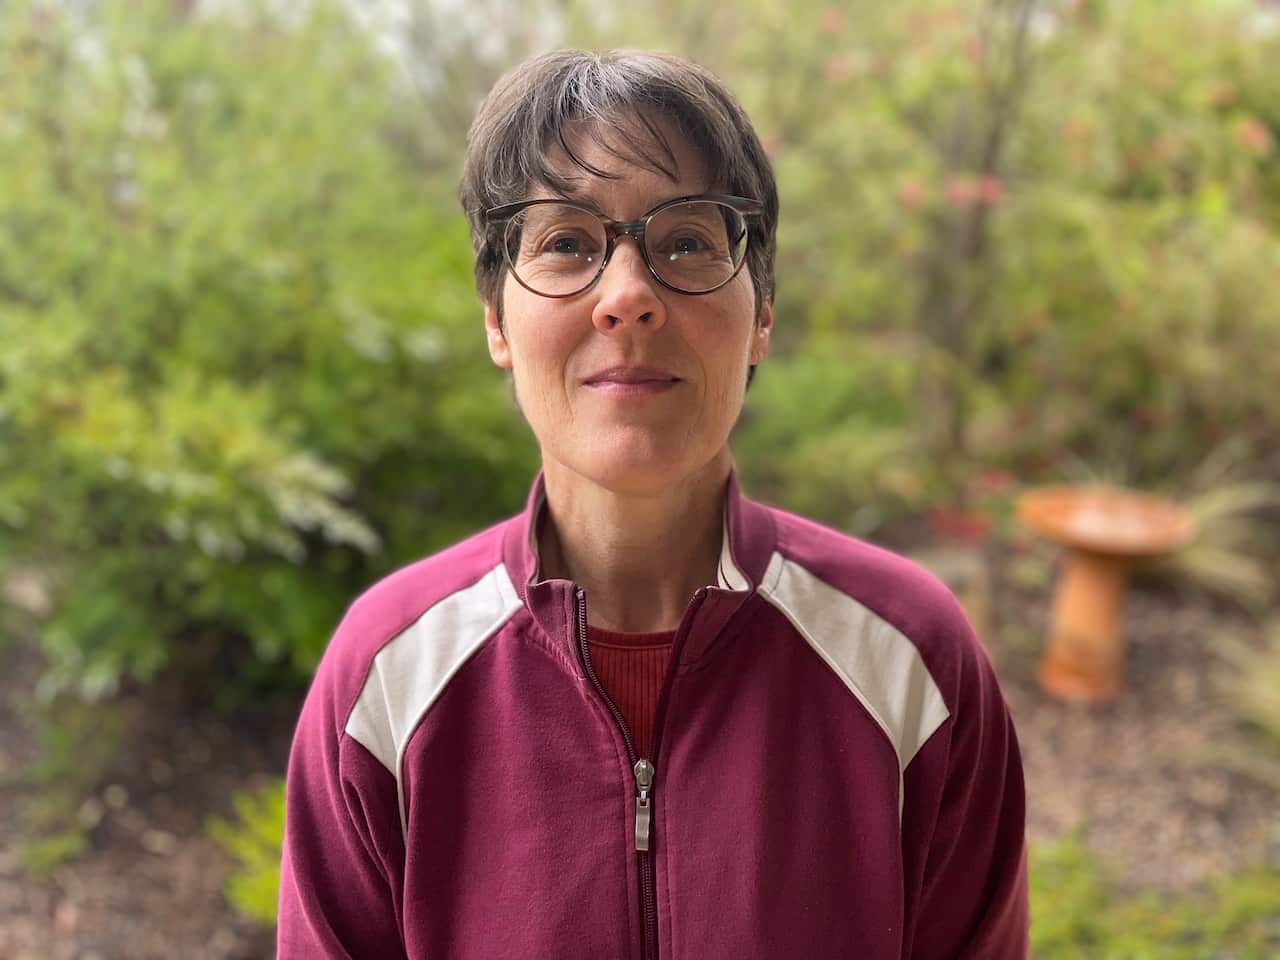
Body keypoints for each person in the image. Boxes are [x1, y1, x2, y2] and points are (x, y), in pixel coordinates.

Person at [277, 49, 1029, 959]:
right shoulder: (387, 678)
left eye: (686, 242)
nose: (628, 297)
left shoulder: (912, 663)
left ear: (762, 317)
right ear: (494, 320)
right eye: (564, 242)